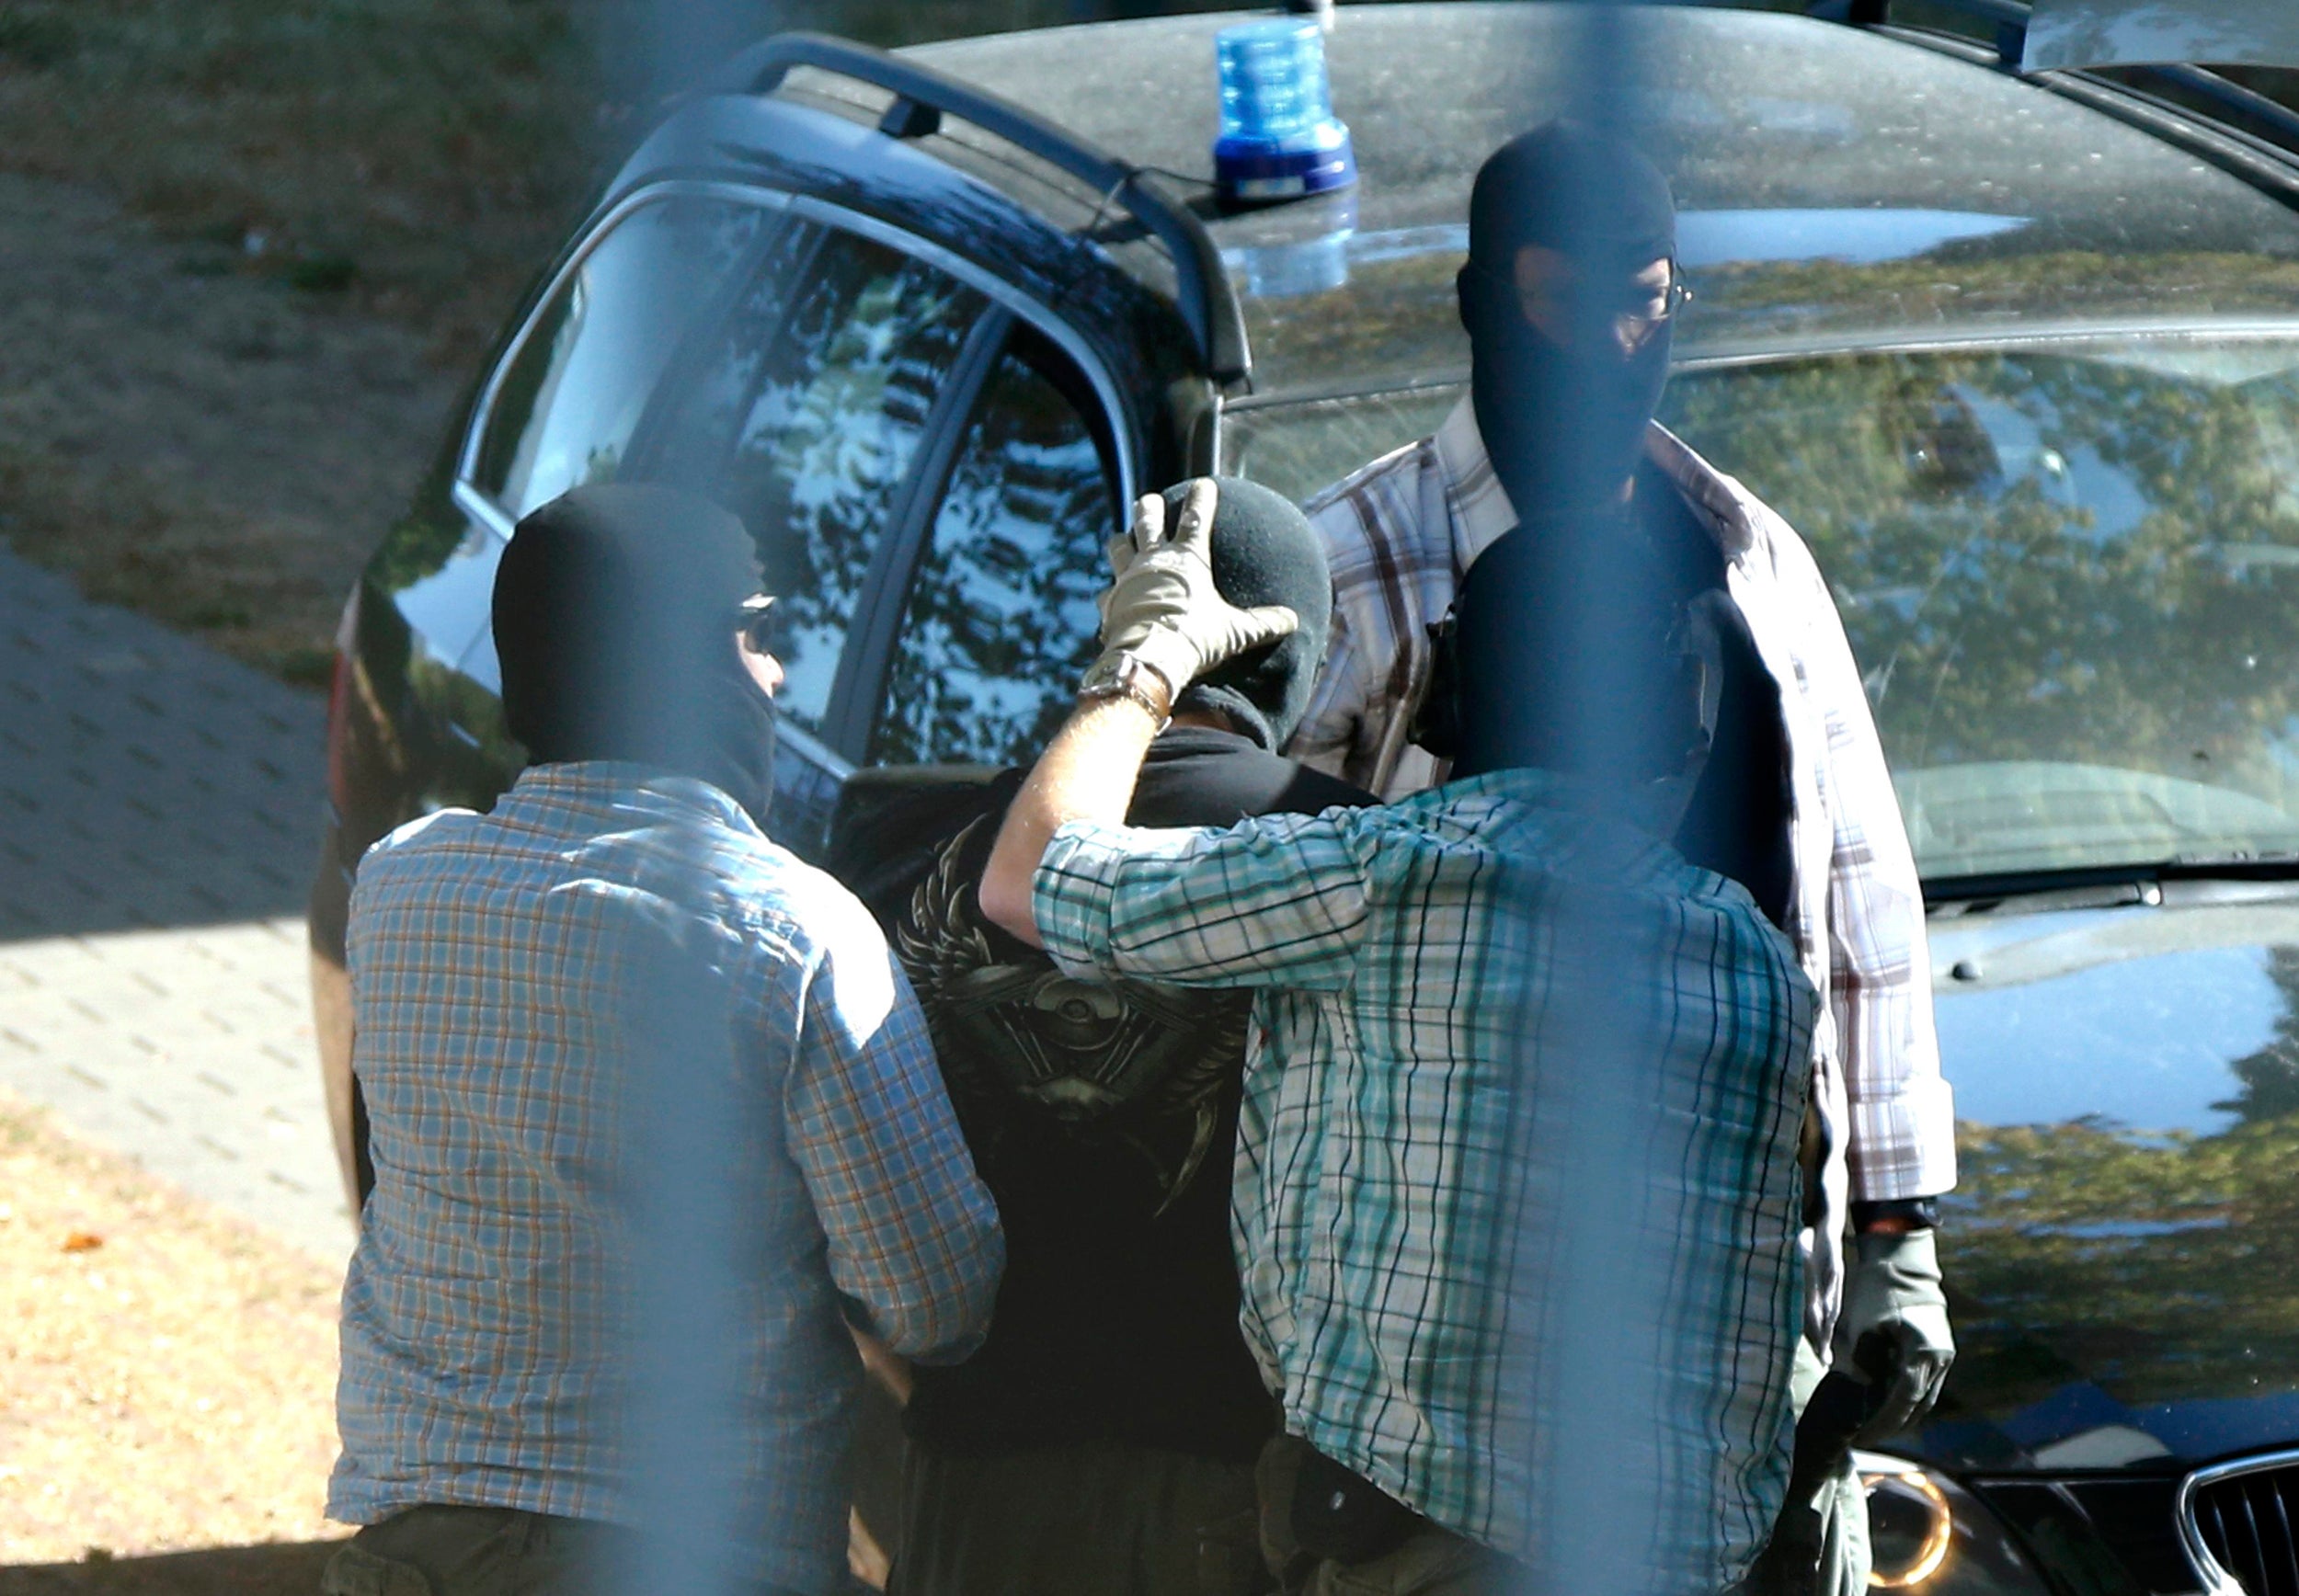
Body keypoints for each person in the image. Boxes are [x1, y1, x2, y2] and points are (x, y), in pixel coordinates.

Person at [1287, 121, 1958, 1591]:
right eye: (1556, 299)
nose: (1607, 338)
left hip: (1746, 1334)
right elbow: (1266, 949)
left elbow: (1859, 902)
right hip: (1449, 1361)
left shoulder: (1750, 560)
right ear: (1476, 300)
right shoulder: (1351, 572)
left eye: (1644, 300)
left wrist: (1896, 1237)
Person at [976, 479, 1821, 1594]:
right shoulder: (1758, 967)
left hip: (1430, 1547)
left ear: (1437, 690)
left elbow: (1027, 881)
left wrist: (1146, 659)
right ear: (1681, 713)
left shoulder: (1388, 873)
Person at [321, 484, 1002, 1596]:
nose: (775, 673)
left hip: (419, 1545)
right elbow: (932, 1300)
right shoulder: (797, 933)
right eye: (751, 633)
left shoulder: (398, 887)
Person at [850, 479, 1373, 1596]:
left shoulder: (901, 853)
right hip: (1240, 1499)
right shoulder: (1365, 870)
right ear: (1301, 659)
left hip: (968, 1486)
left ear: (1119, 619)